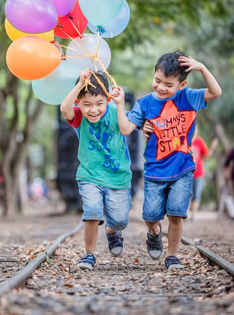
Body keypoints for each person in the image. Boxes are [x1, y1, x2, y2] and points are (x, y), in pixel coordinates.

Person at [114, 50, 222, 271]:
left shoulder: (189, 97)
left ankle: (172, 255)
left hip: (183, 168)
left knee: (176, 214)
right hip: (155, 170)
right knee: (151, 215)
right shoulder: (144, 104)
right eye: (157, 80)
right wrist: (119, 104)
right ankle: (154, 233)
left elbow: (216, 92)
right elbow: (125, 129)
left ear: (181, 85)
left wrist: (201, 67)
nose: (161, 87)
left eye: (168, 84)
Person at [60, 69, 132, 271]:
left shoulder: (115, 110)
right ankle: (89, 254)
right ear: (79, 104)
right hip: (89, 174)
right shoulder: (78, 117)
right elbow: (64, 108)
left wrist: (120, 103)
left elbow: (126, 127)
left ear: (107, 99)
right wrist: (78, 84)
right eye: (87, 104)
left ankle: (112, 231)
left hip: (118, 175)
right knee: (91, 211)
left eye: (99, 103)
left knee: (119, 220)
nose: (93, 110)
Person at [190, 130, 217, 220]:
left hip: (198, 174)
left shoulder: (199, 141)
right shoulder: (185, 140)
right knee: (186, 195)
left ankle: (193, 215)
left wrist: (213, 146)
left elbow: (207, 154)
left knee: (196, 195)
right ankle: (186, 214)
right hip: (186, 174)